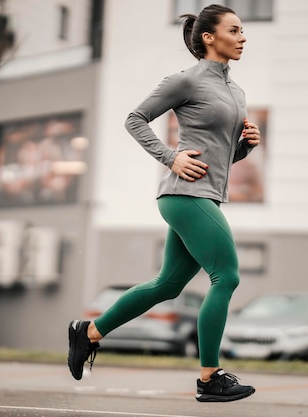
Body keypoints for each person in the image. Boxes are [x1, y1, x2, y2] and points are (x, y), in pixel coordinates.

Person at [68, 4, 261, 403]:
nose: (243, 37)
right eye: (235, 30)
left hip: (205, 196)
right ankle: (209, 377)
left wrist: (243, 148)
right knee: (227, 276)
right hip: (183, 195)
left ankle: (87, 333)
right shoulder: (186, 81)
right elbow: (135, 118)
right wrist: (170, 156)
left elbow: (220, 156)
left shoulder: (236, 90)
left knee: (167, 286)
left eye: (243, 31)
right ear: (209, 37)